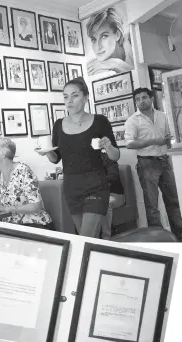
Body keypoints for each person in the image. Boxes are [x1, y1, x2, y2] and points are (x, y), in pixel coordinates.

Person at [36, 76, 120, 238]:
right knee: (86, 240)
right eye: (66, 97)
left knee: (86, 238)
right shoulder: (59, 125)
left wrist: (108, 146)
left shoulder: (100, 121)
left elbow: (115, 156)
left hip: (95, 186)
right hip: (71, 188)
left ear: (86, 98)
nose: (69, 100)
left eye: (75, 95)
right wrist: (46, 151)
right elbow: (56, 158)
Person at [125, 87, 182, 239]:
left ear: (151, 98)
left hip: (165, 161)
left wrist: (170, 140)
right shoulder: (132, 120)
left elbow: (170, 136)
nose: (140, 101)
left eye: (144, 97)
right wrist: (152, 141)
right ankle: (158, 241)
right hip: (146, 164)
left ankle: (179, 239)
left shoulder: (163, 115)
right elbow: (129, 144)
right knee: (152, 206)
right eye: (137, 99)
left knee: (174, 202)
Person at [0, 136, 53, 229]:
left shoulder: (23, 171)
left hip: (34, 224)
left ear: (4, 153)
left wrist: (6, 209)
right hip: (12, 226)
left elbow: (36, 206)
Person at [85, 7, 134, 76]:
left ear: (117, 35)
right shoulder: (94, 65)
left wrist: (116, 63)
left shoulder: (132, 40)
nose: (98, 47)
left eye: (104, 36)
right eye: (94, 39)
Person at [101, 151, 125, 239]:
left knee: (104, 202)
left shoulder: (109, 159)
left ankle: (106, 237)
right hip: (94, 196)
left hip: (115, 195)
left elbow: (113, 176)